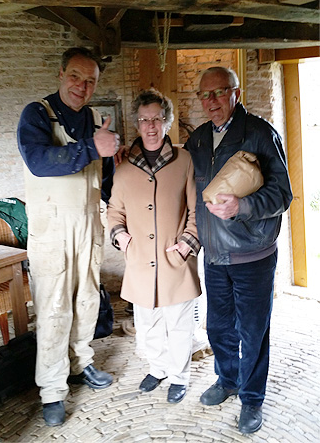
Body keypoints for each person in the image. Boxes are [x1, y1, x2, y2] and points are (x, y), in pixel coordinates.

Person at [185, 67, 292, 434]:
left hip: (253, 255)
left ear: (236, 92)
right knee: (218, 327)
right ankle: (227, 380)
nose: (211, 102)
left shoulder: (260, 134)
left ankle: (251, 398)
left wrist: (242, 208)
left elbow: (283, 195)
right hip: (214, 255)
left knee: (253, 330)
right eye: (205, 95)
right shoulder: (197, 140)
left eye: (219, 93)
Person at [17, 47, 120, 427]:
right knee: (54, 308)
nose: (82, 86)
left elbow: (106, 181)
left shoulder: (95, 120)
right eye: (76, 76)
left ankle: (81, 363)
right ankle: (52, 390)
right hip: (52, 231)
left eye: (90, 80)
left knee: (87, 300)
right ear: (61, 74)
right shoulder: (37, 114)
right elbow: (40, 162)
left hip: (88, 226)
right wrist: (95, 147)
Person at [107, 89, 201, 404]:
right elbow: (114, 211)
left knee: (178, 323)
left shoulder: (184, 160)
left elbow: (196, 208)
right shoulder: (122, 169)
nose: (151, 125)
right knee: (147, 324)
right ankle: (158, 368)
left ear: (166, 122)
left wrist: (188, 243)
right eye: (145, 119)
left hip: (175, 258)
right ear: (137, 123)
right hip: (139, 261)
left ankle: (179, 377)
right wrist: (120, 235)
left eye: (157, 119)